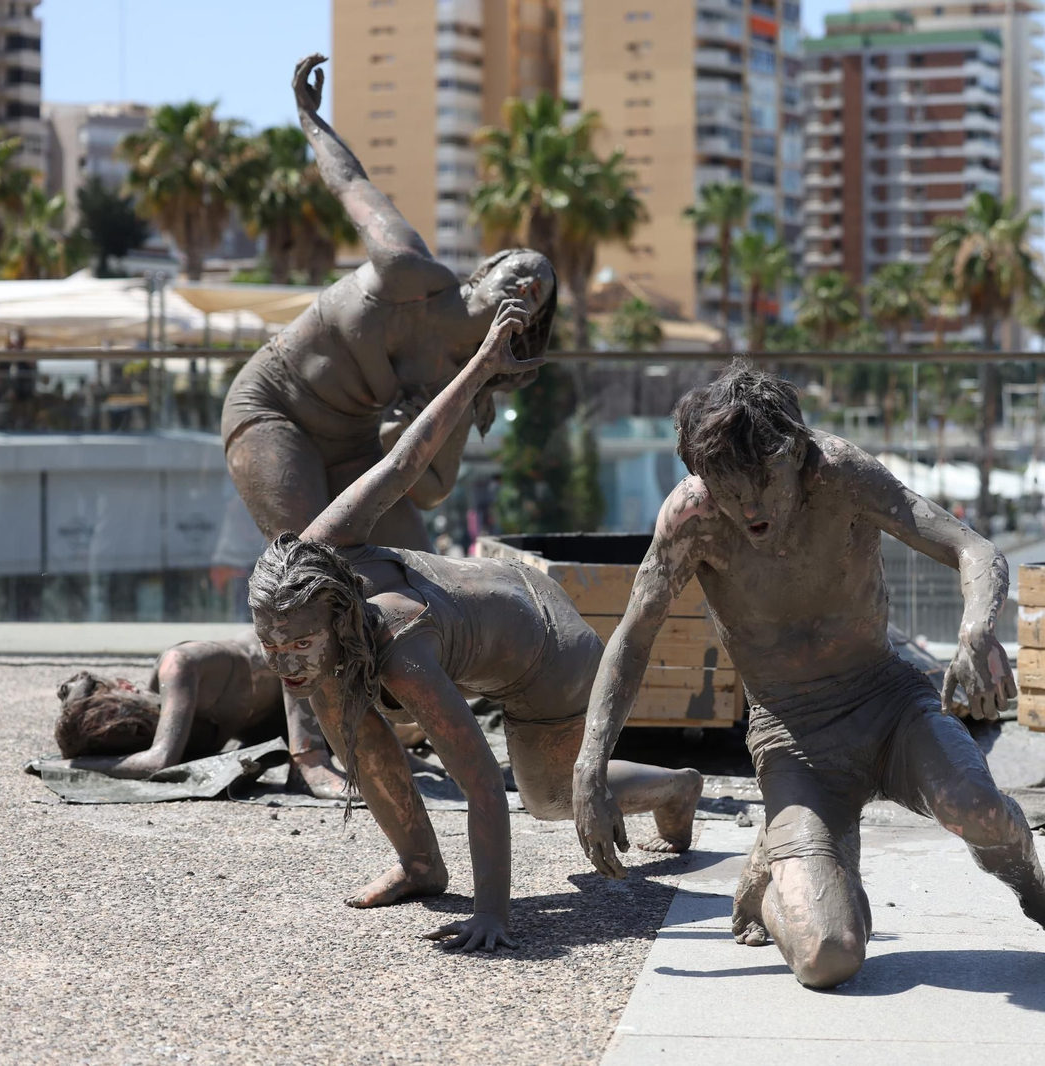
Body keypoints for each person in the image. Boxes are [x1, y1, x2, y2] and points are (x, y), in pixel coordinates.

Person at [572, 361, 1045, 988]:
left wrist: (976, 629)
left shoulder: (839, 474)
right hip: (793, 740)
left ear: (793, 453)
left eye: (763, 482)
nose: (749, 507)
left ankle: (1044, 899)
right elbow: (633, 635)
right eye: (728, 489)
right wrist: (589, 763)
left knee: (977, 808)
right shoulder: (693, 517)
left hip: (889, 707)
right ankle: (780, 872)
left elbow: (974, 549)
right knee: (828, 957)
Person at [246, 299, 703, 952]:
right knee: (332, 700)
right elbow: (402, 463)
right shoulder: (311, 554)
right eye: (271, 645)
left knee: (549, 797)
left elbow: (482, 784)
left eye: (297, 644)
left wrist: (493, 911)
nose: (282, 660)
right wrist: (483, 364)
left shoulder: (402, 651)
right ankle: (421, 865)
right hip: (484, 619)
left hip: (550, 649)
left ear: (335, 615)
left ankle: (675, 787)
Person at [220, 54, 557, 799]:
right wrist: (312, 120)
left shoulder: (468, 381)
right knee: (304, 569)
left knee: (413, 569)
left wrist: (405, 437)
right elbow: (350, 186)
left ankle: (412, 721)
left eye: (540, 293)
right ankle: (310, 752)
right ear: (486, 269)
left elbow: (429, 489)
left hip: (352, 449)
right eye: (521, 270)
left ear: (528, 323)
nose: (530, 283)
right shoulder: (408, 269)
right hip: (276, 411)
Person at [54, 632, 288, 775]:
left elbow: (159, 761)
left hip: (304, 674)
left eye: (117, 717)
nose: (132, 730)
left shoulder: (177, 666)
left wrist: (78, 766)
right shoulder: (153, 733)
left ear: (126, 685)